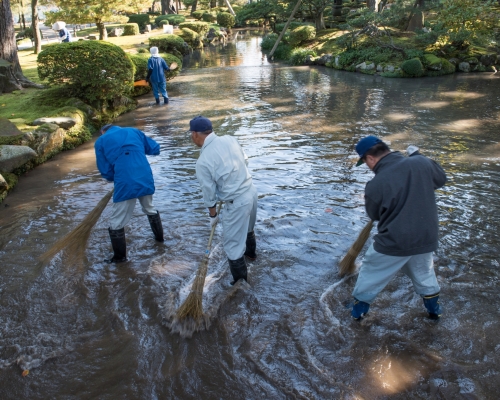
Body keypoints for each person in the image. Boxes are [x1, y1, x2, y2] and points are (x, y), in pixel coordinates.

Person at [350, 136, 447, 320]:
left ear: (370, 158)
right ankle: (435, 314)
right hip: (426, 237)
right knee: (424, 274)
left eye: (365, 163)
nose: (369, 168)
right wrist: (419, 155)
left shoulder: (375, 184)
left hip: (395, 241)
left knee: (370, 274)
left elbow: (375, 216)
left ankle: (357, 315)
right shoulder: (421, 162)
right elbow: (441, 179)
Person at [190, 116, 258, 285]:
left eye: (191, 134)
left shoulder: (203, 161)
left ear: (195, 134)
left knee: (233, 247)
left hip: (237, 202)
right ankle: (251, 256)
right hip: (251, 191)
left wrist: (213, 215)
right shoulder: (229, 139)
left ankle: (241, 286)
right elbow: (245, 161)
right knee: (248, 229)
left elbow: (209, 193)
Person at [94, 124, 164, 263]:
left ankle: (120, 258)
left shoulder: (101, 141)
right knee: (149, 208)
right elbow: (155, 149)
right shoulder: (134, 131)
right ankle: (160, 241)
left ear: (103, 131)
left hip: (125, 181)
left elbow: (106, 171)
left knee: (117, 220)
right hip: (144, 176)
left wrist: (115, 177)